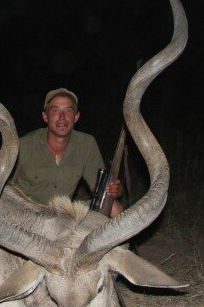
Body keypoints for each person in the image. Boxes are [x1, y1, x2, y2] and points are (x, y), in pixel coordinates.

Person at [10, 88, 123, 216]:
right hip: (27, 215)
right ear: (45, 116)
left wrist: (114, 191)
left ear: (76, 117)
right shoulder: (23, 145)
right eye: (55, 110)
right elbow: (3, 188)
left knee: (114, 207)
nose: (62, 117)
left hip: (63, 216)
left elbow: (99, 190)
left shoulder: (87, 143)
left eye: (68, 110)